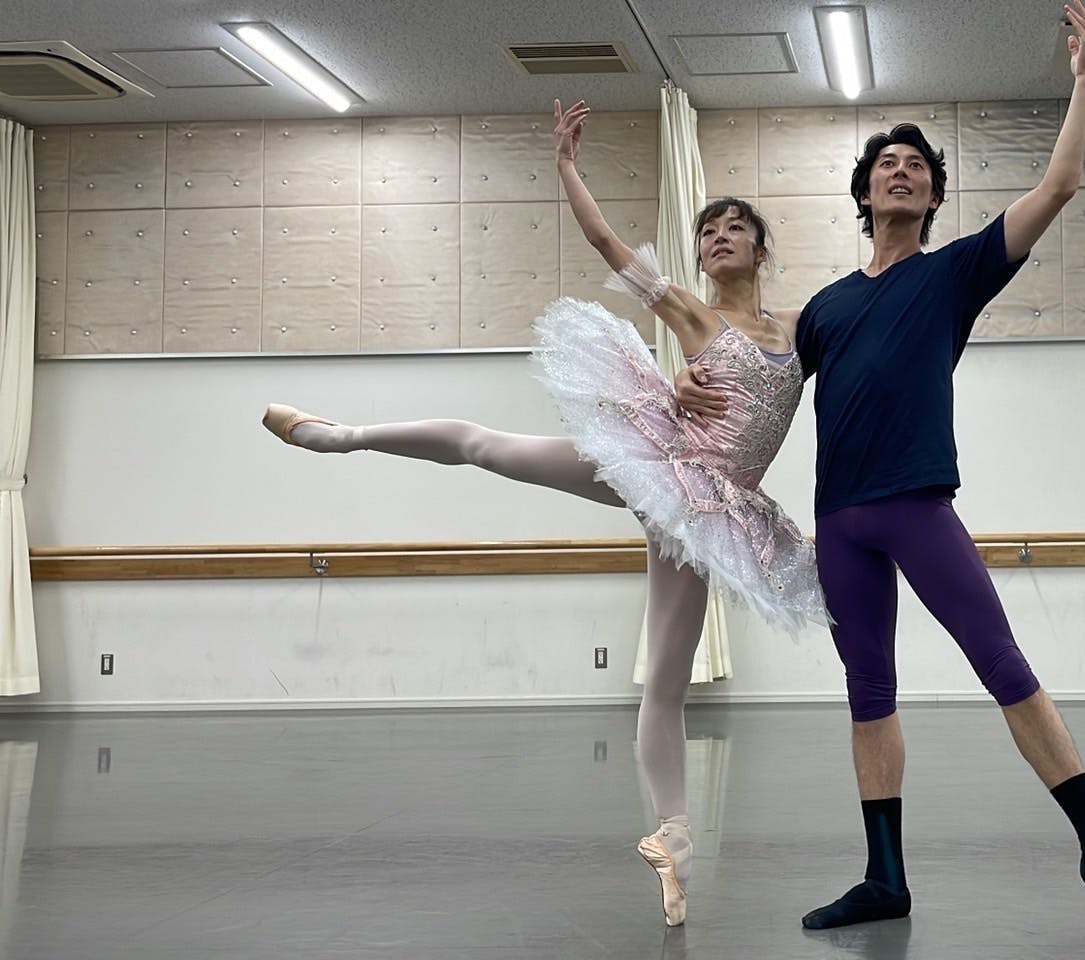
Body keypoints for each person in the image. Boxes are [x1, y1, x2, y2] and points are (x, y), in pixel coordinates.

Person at [260, 98, 824, 928]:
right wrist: (565, 166)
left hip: (718, 511)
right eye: (708, 230)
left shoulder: (804, 327)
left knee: (667, 681)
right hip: (664, 467)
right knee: (490, 447)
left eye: (734, 227)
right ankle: (341, 436)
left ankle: (673, 840)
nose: (718, 237)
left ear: (761, 248)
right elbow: (608, 246)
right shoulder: (688, 310)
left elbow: (869, 322)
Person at [674, 1, 1085, 947]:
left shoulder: (956, 273)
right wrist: (687, 382)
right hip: (840, 524)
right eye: (886, 165)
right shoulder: (822, 310)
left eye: (918, 168)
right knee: (869, 692)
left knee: (1003, 666)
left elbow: (1060, 185)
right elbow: (753, 372)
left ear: (933, 197)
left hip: (916, 507)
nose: (901, 172)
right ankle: (884, 878)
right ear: (864, 194)